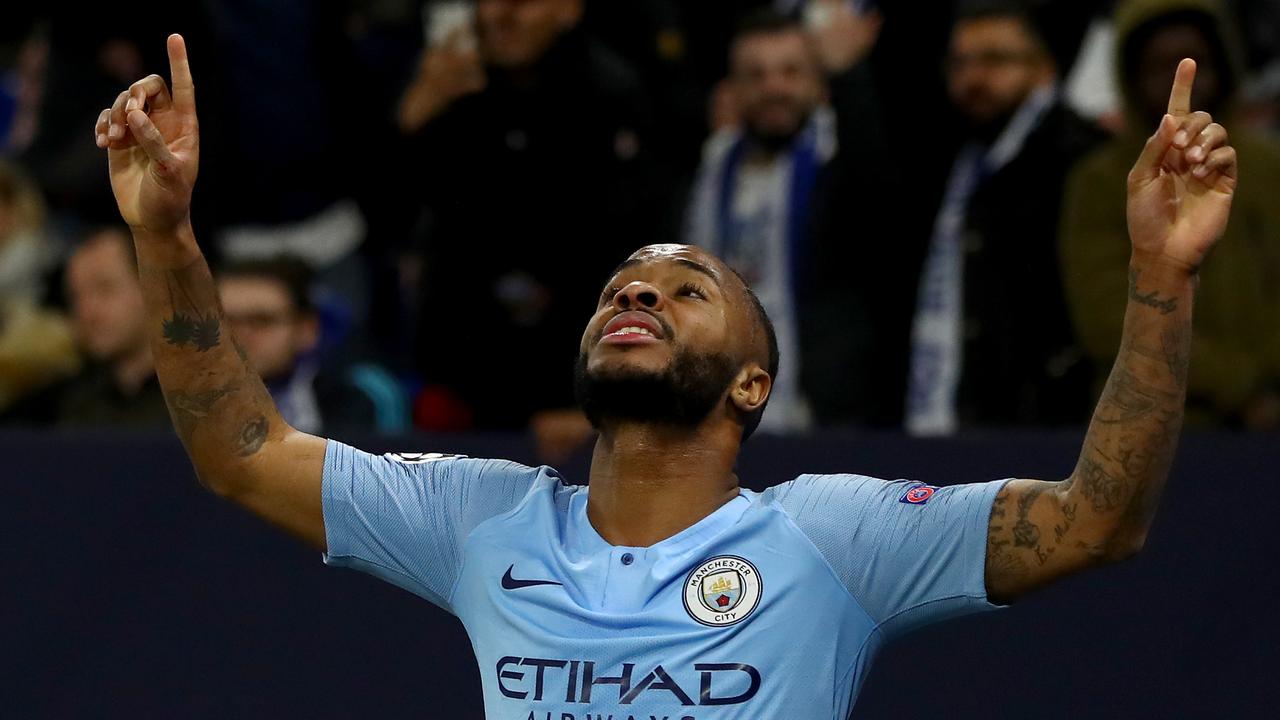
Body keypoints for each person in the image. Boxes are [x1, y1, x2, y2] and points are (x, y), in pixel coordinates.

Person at [96, 35, 1234, 717]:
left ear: (749, 384)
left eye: (684, 289)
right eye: (619, 289)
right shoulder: (480, 519)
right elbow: (241, 452)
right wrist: (165, 239)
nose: (633, 294)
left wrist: (1158, 278)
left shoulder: (833, 537)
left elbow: (1098, 521)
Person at [394, 0, 668, 459]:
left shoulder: (612, 97)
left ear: (568, 9)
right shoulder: (446, 88)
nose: (501, 13)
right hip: (463, 373)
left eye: (523, 1)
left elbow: (633, 260)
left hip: (573, 379)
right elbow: (388, 218)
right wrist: (412, 118)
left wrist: (592, 393)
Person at [1060, 0, 1280, 431]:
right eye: (1159, 66)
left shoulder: (1269, 167)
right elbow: (1105, 318)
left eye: (1201, 64)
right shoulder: (1101, 180)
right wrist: (1240, 387)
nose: (1183, 83)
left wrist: (1265, 389)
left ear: (1225, 65)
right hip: (1142, 425)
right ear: (1132, 75)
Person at [904, 3, 1108, 437]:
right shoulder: (950, 157)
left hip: (1051, 423)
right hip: (960, 416)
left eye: (995, 60)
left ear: (1045, 70)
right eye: (960, 64)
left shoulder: (1083, 157)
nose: (973, 79)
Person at [684, 6, 888, 432]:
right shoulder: (707, 171)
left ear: (818, 83)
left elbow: (878, 196)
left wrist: (852, 79)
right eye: (755, 75)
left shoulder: (840, 166)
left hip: (826, 414)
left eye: (791, 72)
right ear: (732, 89)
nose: (774, 87)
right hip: (720, 412)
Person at [216, 255, 407, 437]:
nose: (239, 335)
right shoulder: (186, 406)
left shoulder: (357, 399)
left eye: (261, 321)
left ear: (307, 330)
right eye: (225, 321)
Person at [56, 226, 168, 427]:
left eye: (105, 289)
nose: (86, 312)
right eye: (75, 297)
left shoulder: (203, 399)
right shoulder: (72, 406)